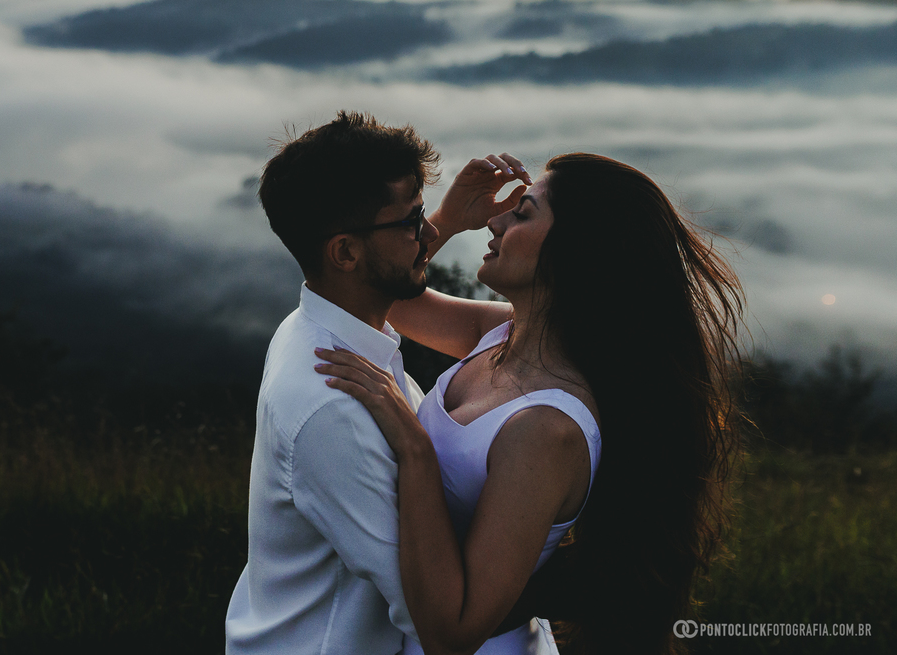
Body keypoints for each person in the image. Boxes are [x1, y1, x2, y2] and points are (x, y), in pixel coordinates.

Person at [316, 152, 744, 655]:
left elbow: (453, 632)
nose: (495, 221)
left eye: (522, 214)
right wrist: (445, 221)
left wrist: (413, 447)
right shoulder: (500, 333)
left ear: (577, 249)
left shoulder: (545, 428)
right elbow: (385, 290)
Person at [225, 113, 561, 655]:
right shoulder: (333, 406)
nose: (427, 232)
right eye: (411, 220)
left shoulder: (327, 327)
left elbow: (412, 299)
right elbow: (431, 608)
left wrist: (447, 218)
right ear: (346, 253)